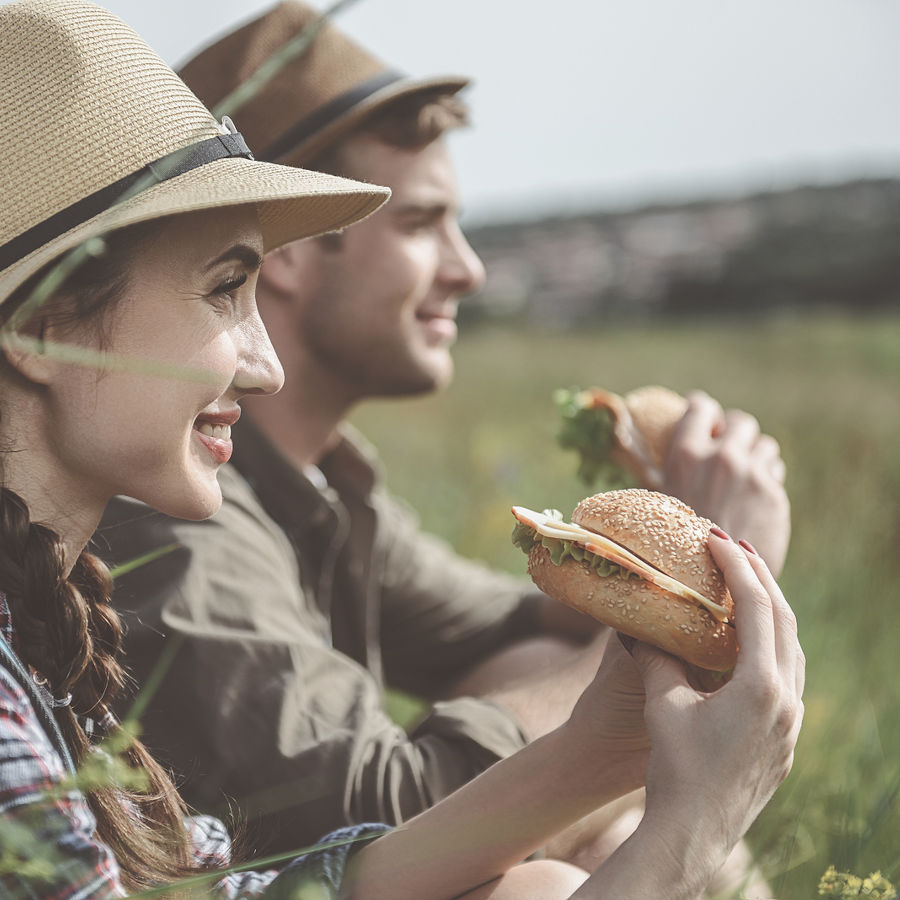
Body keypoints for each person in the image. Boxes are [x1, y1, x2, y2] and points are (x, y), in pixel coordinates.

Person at [0, 2, 803, 898]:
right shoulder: (143, 566)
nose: (261, 368)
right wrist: (689, 830)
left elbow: (275, 888)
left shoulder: (51, 625)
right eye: (227, 289)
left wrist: (611, 736)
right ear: (42, 326)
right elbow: (381, 801)